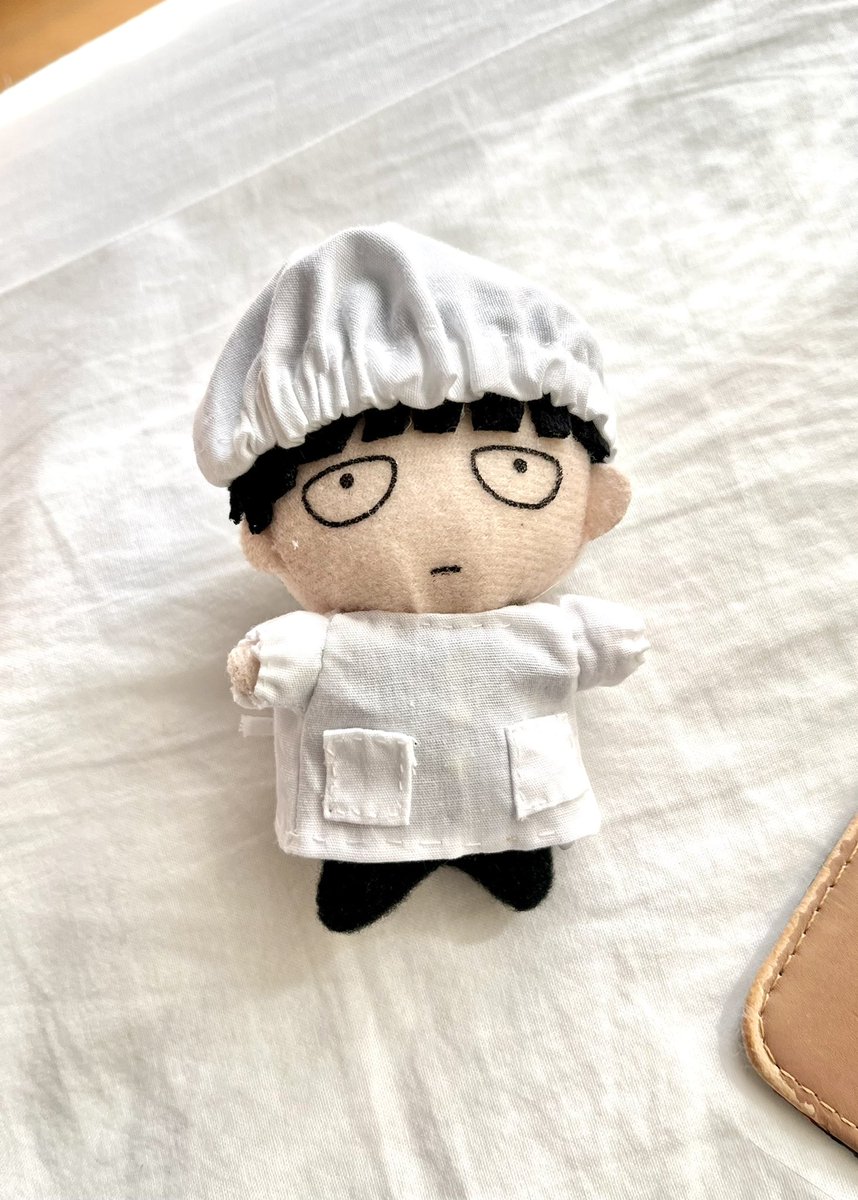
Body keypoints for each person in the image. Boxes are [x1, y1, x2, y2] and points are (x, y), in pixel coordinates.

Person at [194, 224, 648, 932]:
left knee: (520, 863)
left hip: (512, 805)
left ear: (596, 503)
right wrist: (262, 665)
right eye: (348, 485)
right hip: (374, 821)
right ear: (267, 541)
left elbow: (596, 645)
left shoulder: (543, 629)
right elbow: (280, 662)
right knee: (364, 862)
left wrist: (611, 641)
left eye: (517, 469)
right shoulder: (332, 641)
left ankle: (508, 852)